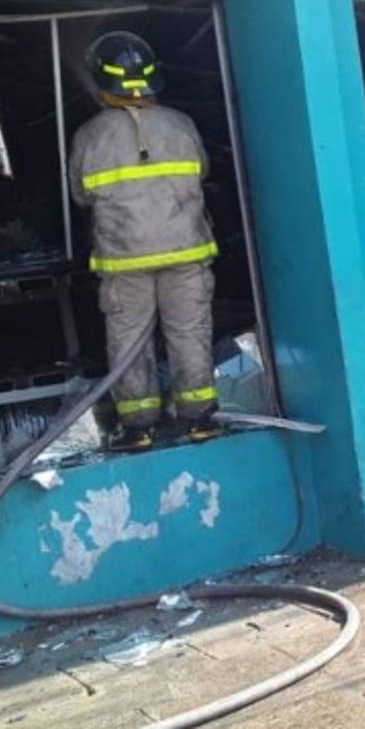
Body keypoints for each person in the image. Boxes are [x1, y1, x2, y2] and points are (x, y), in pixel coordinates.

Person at [69, 31, 221, 452]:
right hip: (186, 255)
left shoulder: (88, 136)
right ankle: (199, 421)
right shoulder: (182, 125)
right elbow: (202, 173)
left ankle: (138, 428)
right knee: (189, 334)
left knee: (129, 342)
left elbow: (80, 195)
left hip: (124, 263)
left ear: (102, 81)